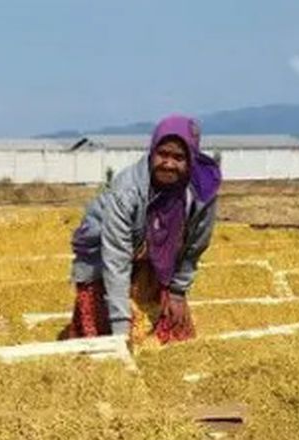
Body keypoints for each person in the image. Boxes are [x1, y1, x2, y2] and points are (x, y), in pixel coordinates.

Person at [62, 115, 222, 346]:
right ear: (152, 152)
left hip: (155, 258)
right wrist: (119, 330)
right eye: (162, 154)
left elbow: (195, 246)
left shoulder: (201, 193)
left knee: (173, 332)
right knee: (101, 335)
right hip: (105, 255)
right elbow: (115, 257)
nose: (168, 163)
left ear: (191, 160)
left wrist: (178, 292)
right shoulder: (127, 191)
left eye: (178, 157)